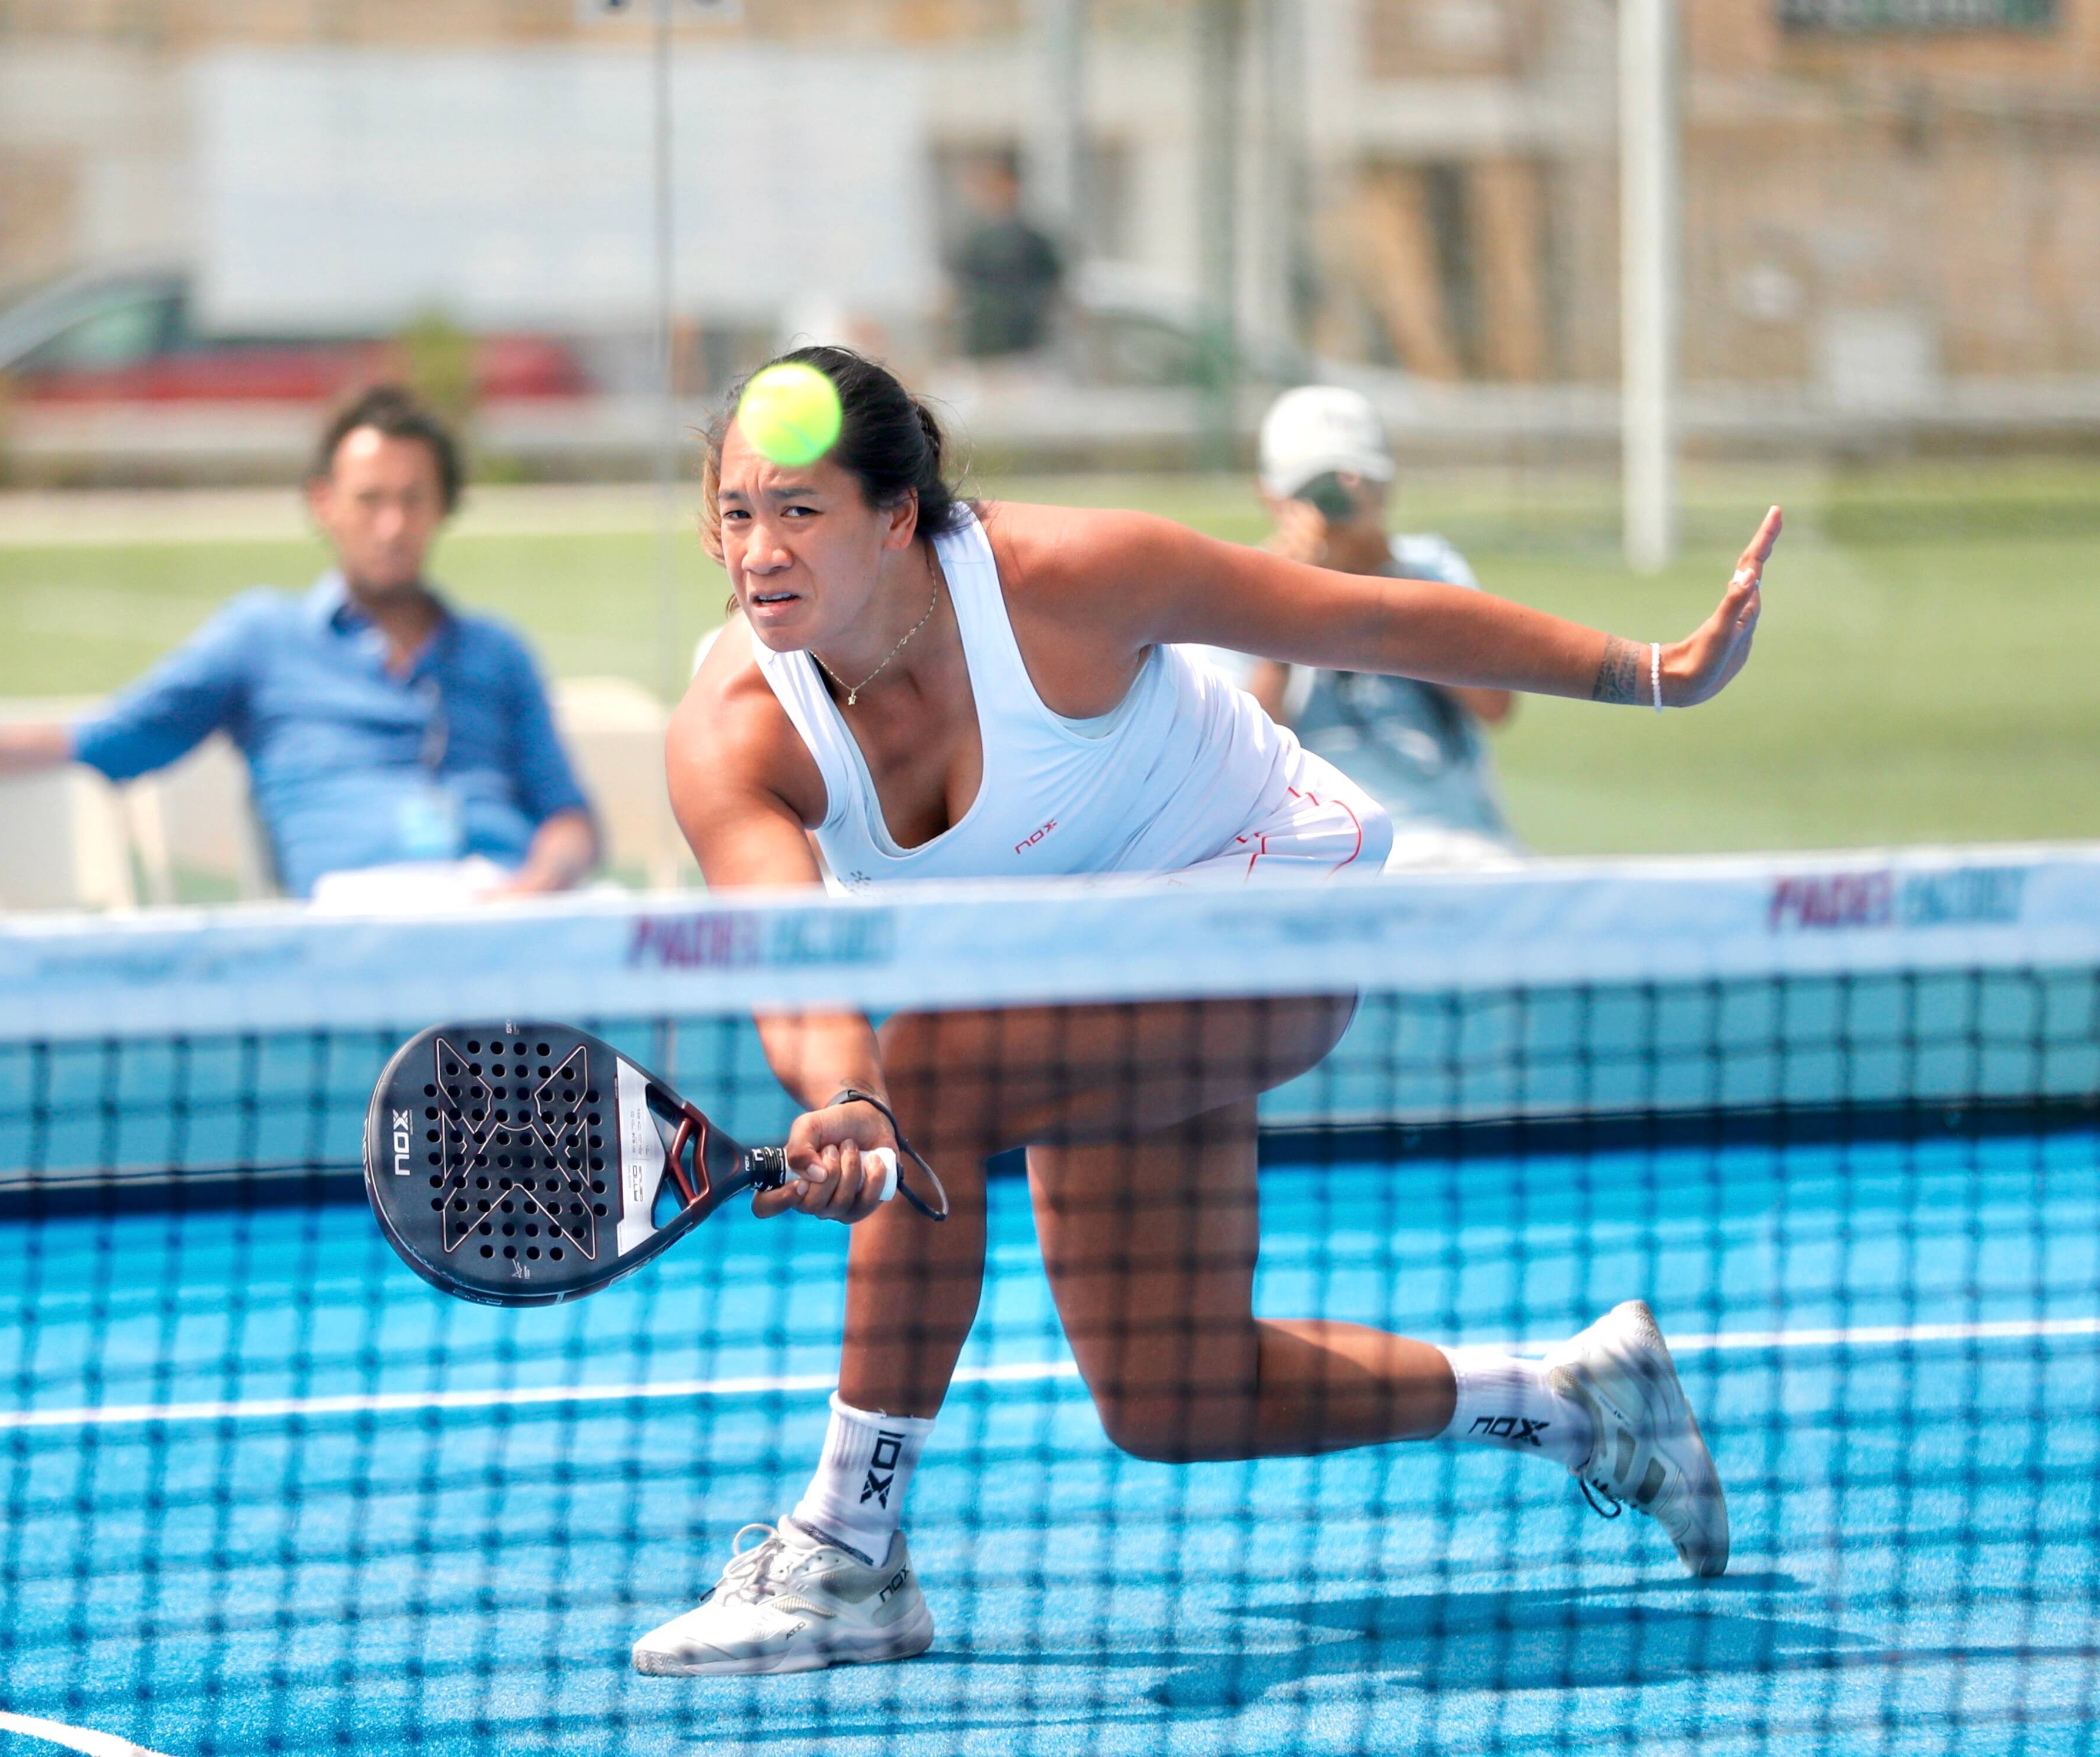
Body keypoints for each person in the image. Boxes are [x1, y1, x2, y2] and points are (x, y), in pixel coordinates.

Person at [637, 346, 1779, 1677]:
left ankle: (847, 1550)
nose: (758, 549)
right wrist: (839, 1094)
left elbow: (1363, 617)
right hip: (1085, 977)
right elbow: (792, 960)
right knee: (1177, 1392)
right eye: (734, 510)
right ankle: (1571, 1397)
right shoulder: (730, 729)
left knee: (932, 1070)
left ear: (898, 515)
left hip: (1273, 897)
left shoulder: (1063, 580)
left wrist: (1659, 670)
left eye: (800, 508)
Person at [0, 386, 600, 903]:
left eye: (412, 500)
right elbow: (109, 741)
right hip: (368, 923)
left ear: (443, 508)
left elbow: (567, 815)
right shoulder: (262, 639)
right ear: (323, 505)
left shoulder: (499, 653)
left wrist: (539, 884)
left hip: (517, 916)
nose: (391, 525)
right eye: (370, 501)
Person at [1232, 386, 1522, 870]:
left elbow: (1496, 704)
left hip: (1459, 842)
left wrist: (1391, 584)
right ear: (1270, 496)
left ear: (1385, 488)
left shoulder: (1431, 568)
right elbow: (1240, 760)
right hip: (1323, 857)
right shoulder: (1234, 590)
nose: (1332, 507)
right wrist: (1282, 612)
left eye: (1349, 486)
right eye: (1313, 489)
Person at [944, 155, 1065, 362]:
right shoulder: (971, 237)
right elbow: (958, 283)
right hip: (984, 340)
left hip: (1026, 342)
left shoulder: (1033, 237)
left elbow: (1053, 280)